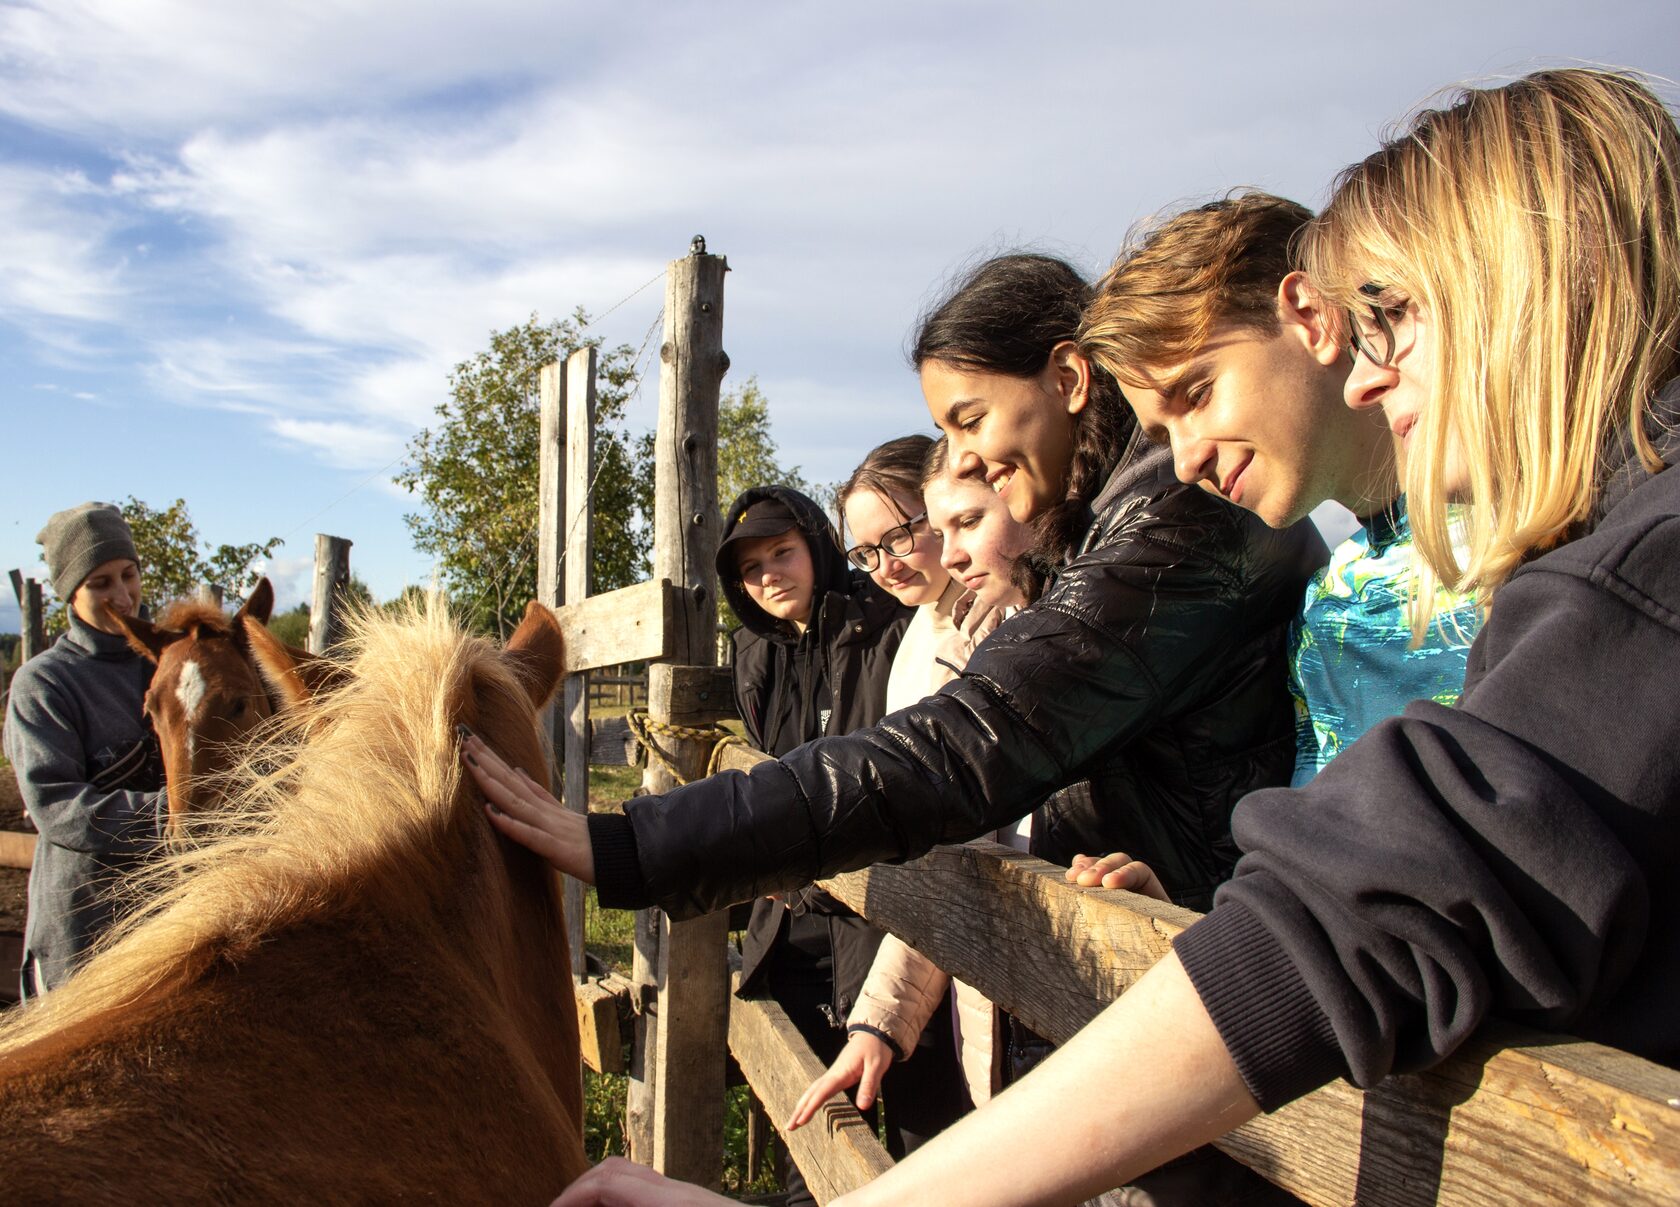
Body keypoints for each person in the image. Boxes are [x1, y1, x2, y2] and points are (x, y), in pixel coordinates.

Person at [537, 67, 1680, 1205]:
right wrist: (1217, 874)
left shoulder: (1622, 564)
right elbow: (1361, 817)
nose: (1366, 366)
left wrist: (636, 846)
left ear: (1536, 282)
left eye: (1391, 314)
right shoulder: (1491, 542)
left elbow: (1378, 885)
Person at [469, 252, 1325, 1196]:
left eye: (970, 419)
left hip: (1224, 1023)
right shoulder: (1114, 533)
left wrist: (639, 845)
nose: (964, 460)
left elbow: (956, 748)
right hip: (1150, 991)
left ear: (1071, 380)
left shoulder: (1172, 529)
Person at [1078, 192, 1480, 788]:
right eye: (1163, 436)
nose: (1186, 463)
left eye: (1198, 393)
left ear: (1310, 317)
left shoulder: (1531, 533)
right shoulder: (1327, 603)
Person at [796, 446, 1046, 1128]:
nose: (887, 564)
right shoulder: (915, 633)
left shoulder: (991, 628)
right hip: (952, 948)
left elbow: (957, 827)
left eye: (901, 535)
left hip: (1004, 957)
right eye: (867, 551)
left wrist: (882, 1015)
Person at [715, 484, 909, 1200]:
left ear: (818, 546)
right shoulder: (752, 655)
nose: (768, 575)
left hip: (878, 922)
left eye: (782, 552)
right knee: (807, 1119)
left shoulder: (884, 627)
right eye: (751, 567)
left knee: (913, 1121)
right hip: (789, 927)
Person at [4, 503, 165, 999]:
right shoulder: (45, 685)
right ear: (70, 593)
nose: (122, 595)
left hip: (165, 924)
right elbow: (58, 808)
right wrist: (175, 816)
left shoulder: (169, 664)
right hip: (85, 934)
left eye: (129, 574)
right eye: (100, 583)